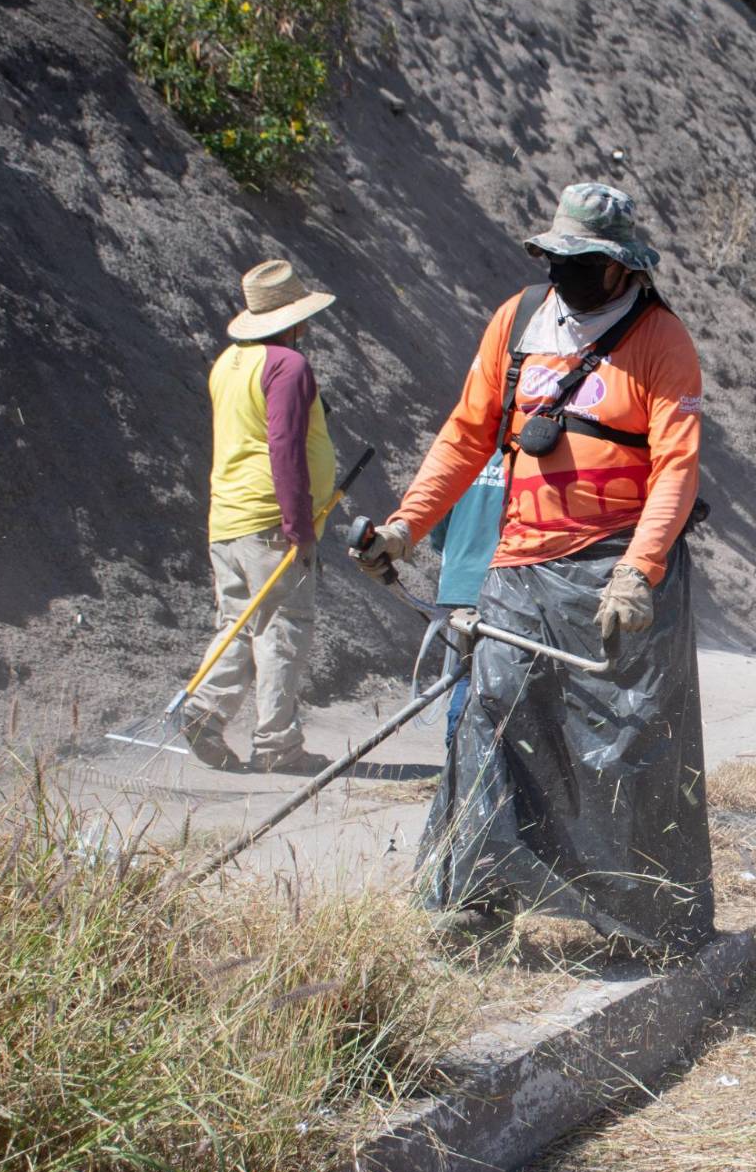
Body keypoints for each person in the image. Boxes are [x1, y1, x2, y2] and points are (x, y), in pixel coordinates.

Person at [353, 182, 711, 945]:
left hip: (613, 571)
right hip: (518, 567)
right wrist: (404, 528)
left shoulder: (660, 341)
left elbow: (677, 468)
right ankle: (474, 904)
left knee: (625, 742)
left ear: (622, 268)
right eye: (557, 257)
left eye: (583, 261)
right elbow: (464, 434)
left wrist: (638, 571)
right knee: (492, 718)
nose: (566, 273)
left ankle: (641, 914)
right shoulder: (517, 323)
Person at [182, 259, 339, 775]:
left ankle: (205, 710)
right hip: (271, 520)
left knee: (240, 622)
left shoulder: (229, 363)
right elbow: (283, 446)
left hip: (227, 517)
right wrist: (299, 526)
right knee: (281, 628)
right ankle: (278, 745)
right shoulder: (287, 365)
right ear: (294, 317)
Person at [424, 449, 505, 742]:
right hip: (502, 585)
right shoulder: (527, 456)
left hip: (457, 583)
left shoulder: (464, 453)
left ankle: (456, 756)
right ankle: (463, 756)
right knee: (487, 680)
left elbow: (438, 524)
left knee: (466, 670)